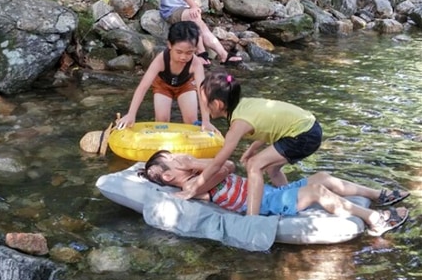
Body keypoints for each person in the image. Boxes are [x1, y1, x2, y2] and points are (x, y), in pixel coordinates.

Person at [140, 150, 409, 237]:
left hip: (269, 192)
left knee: (321, 177)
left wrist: (193, 164)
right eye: (172, 158)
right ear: (167, 176)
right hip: (267, 203)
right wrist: (193, 164)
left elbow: (227, 165)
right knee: (316, 190)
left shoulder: (198, 173)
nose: (179, 157)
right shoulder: (190, 187)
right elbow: (226, 167)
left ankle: (378, 194)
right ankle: (375, 220)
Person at [178, 69, 323, 214]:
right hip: (308, 126)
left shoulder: (238, 124)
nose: (201, 106)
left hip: (304, 134)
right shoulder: (244, 105)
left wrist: (194, 189)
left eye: (203, 102)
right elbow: (270, 126)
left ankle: (252, 217)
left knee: (255, 165)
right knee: (271, 168)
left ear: (217, 104)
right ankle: (290, 200)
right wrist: (252, 148)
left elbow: (217, 163)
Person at [116, 21, 214, 129]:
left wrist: (206, 120)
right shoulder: (161, 60)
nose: (183, 57)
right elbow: (143, 87)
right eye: (179, 52)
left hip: (185, 85)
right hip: (163, 86)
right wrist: (131, 114)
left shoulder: (195, 64)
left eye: (189, 53)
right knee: (162, 121)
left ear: (195, 49)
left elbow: (202, 93)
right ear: (170, 45)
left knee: (191, 121)